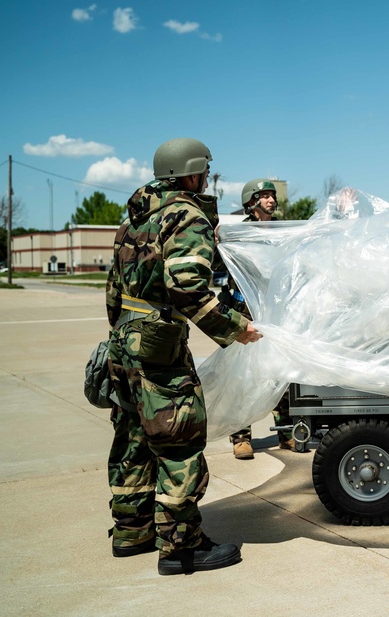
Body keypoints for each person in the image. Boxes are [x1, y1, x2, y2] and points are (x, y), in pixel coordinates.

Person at [105, 137, 263, 575]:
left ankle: (131, 531)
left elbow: (115, 291)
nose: (207, 177)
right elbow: (187, 287)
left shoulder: (135, 218)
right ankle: (181, 548)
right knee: (178, 442)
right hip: (158, 351)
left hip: (123, 344)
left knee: (133, 438)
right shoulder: (186, 215)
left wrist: (125, 340)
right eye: (205, 170)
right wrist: (235, 328)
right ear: (191, 173)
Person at [224, 179, 297, 459]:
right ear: (251, 201)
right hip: (244, 312)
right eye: (264, 195)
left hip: (275, 309)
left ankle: (287, 432)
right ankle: (241, 436)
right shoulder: (237, 232)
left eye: (271, 195)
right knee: (243, 375)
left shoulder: (282, 231)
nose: (270, 200)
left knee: (281, 372)